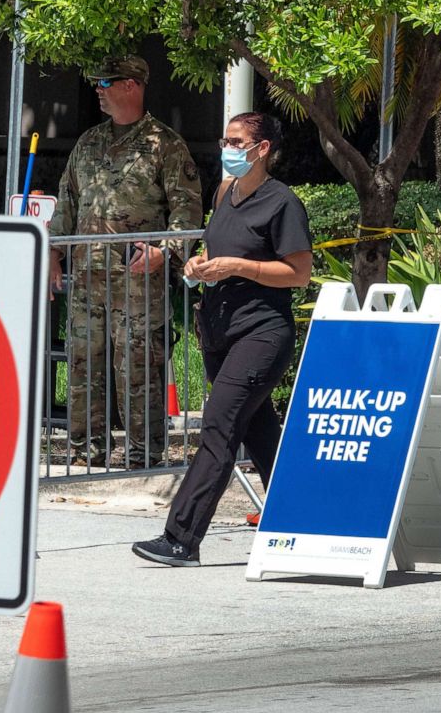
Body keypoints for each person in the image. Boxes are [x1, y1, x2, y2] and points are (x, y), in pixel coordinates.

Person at [132, 112, 313, 566]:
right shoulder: (224, 192)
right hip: (219, 330)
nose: (227, 148)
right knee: (261, 432)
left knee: (218, 427)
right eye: (225, 139)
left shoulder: (282, 203)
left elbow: (299, 273)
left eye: (236, 141)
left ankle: (181, 538)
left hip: (262, 332)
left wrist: (237, 267)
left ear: (263, 148)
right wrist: (199, 263)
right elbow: (218, 246)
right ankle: (303, 525)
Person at [49, 54, 203, 468]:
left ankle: (144, 456)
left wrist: (166, 252)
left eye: (106, 82)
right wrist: (52, 253)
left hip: (138, 280)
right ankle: (85, 454)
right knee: (83, 366)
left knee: (138, 369)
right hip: (87, 278)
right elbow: (68, 201)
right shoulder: (88, 142)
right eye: (97, 82)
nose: (98, 89)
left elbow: (186, 211)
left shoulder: (164, 144)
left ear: (131, 85)